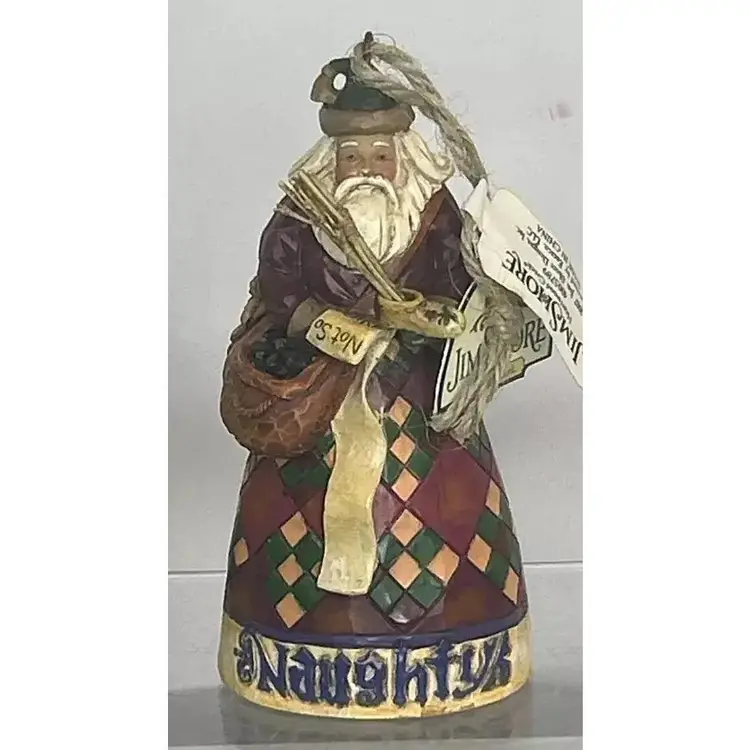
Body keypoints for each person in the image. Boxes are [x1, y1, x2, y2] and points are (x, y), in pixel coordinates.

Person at [217, 38, 531, 718]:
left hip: (420, 397)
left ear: (403, 158)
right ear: (330, 160)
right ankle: (292, 648)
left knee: (447, 503)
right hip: (320, 400)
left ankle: (460, 643)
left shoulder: (436, 216)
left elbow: (461, 280)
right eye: (351, 156)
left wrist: (453, 311)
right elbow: (278, 288)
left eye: (379, 156)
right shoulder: (298, 219)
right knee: (296, 513)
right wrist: (326, 326)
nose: (366, 169)